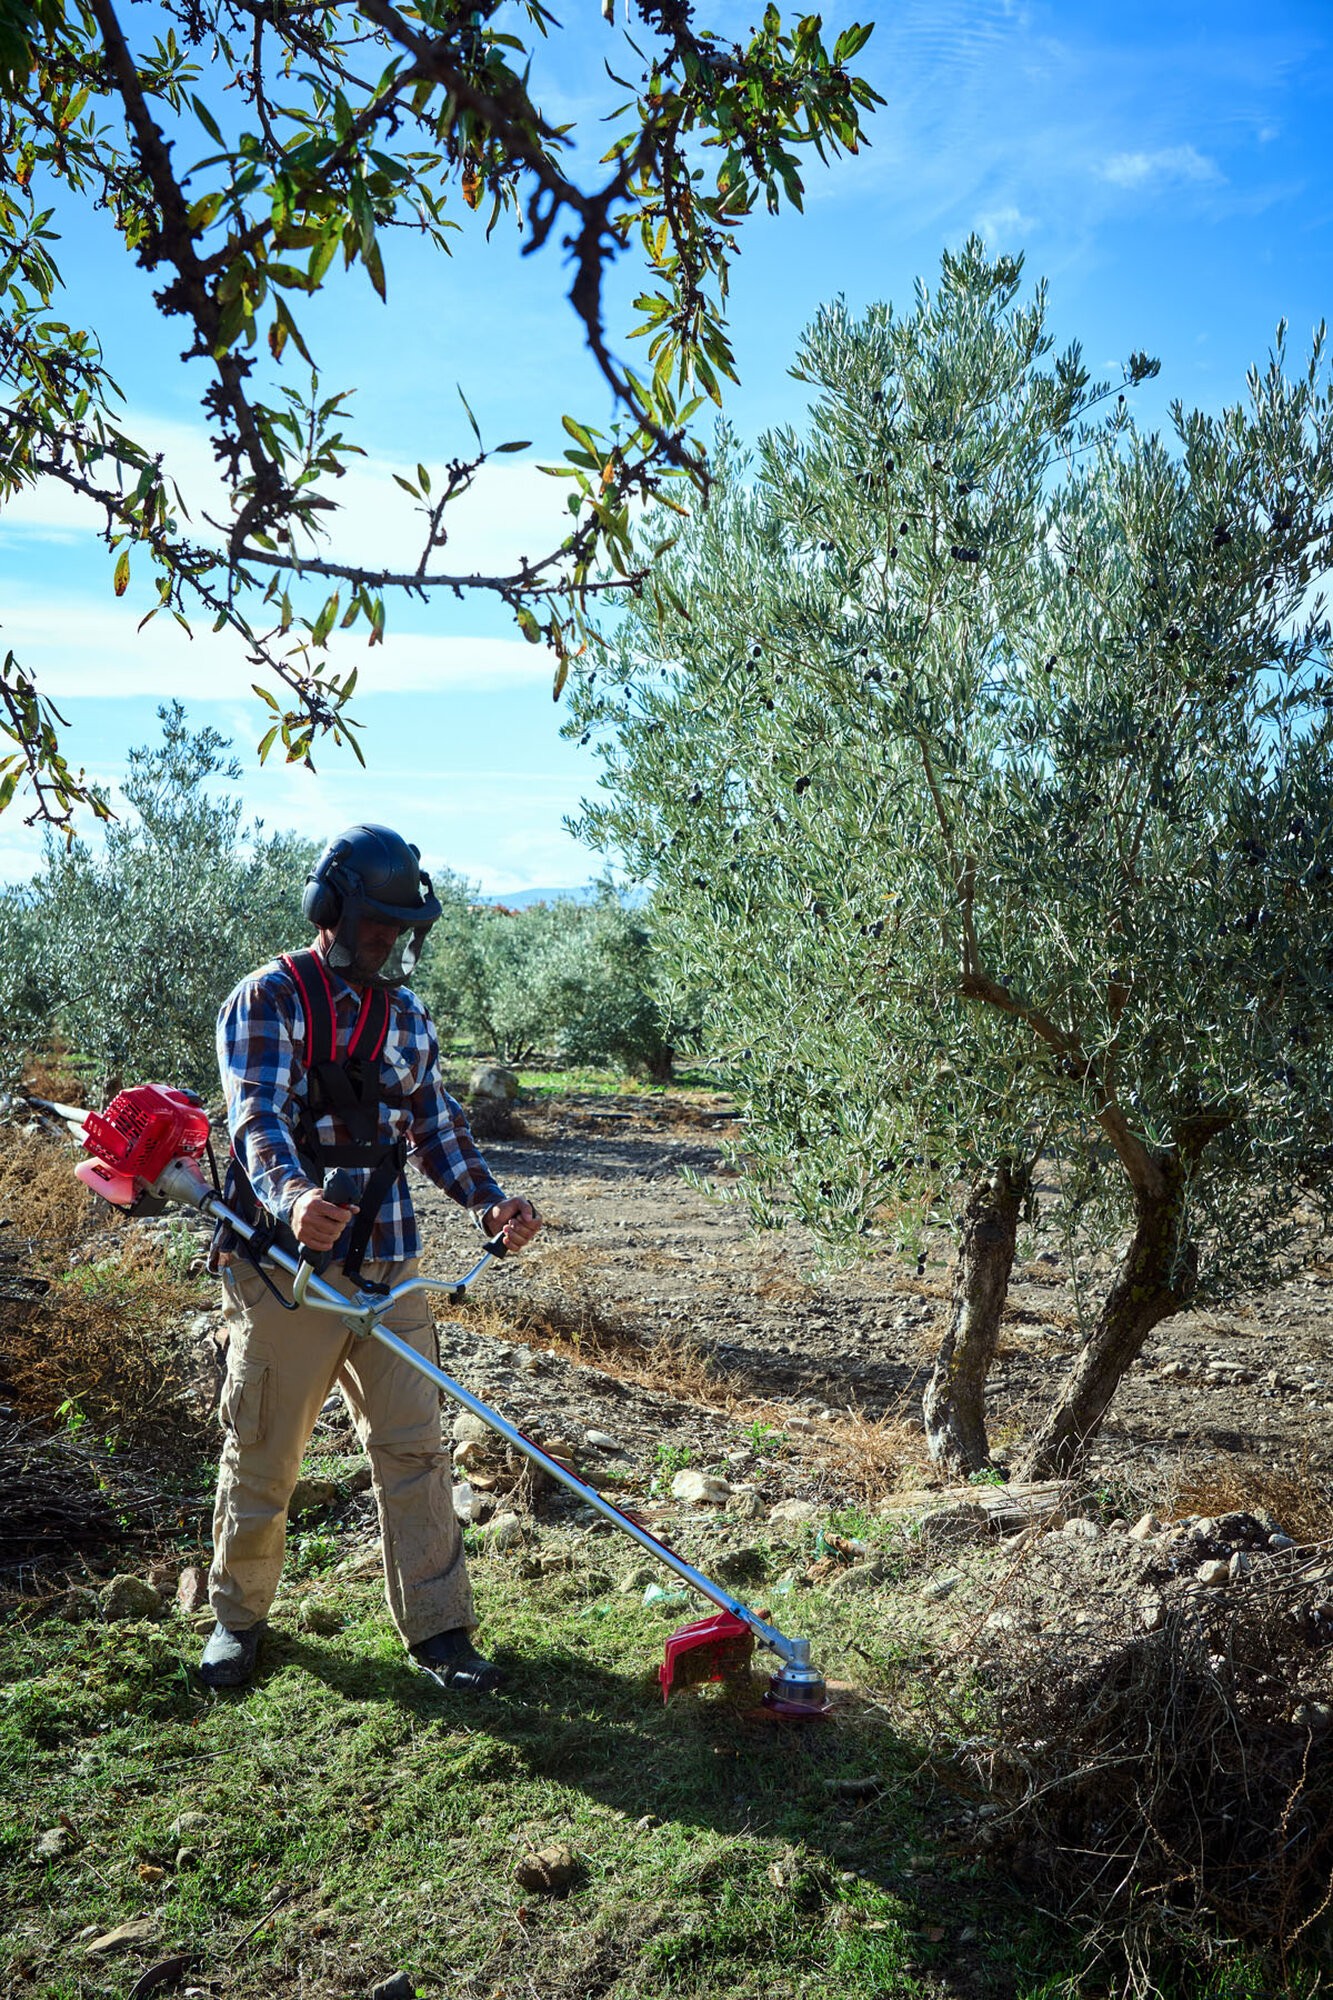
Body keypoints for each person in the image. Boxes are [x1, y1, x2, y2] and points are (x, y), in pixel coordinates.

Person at [200, 823, 540, 1693]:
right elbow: (256, 1124)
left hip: (392, 1270)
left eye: (403, 925)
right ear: (331, 909)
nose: (390, 939)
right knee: (264, 1453)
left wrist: (487, 1201)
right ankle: (237, 1623)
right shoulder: (266, 1000)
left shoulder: (406, 1014)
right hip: (286, 1275)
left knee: (416, 1453)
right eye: (376, 921)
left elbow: (435, 1126)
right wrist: (294, 1202)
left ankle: (440, 1631)